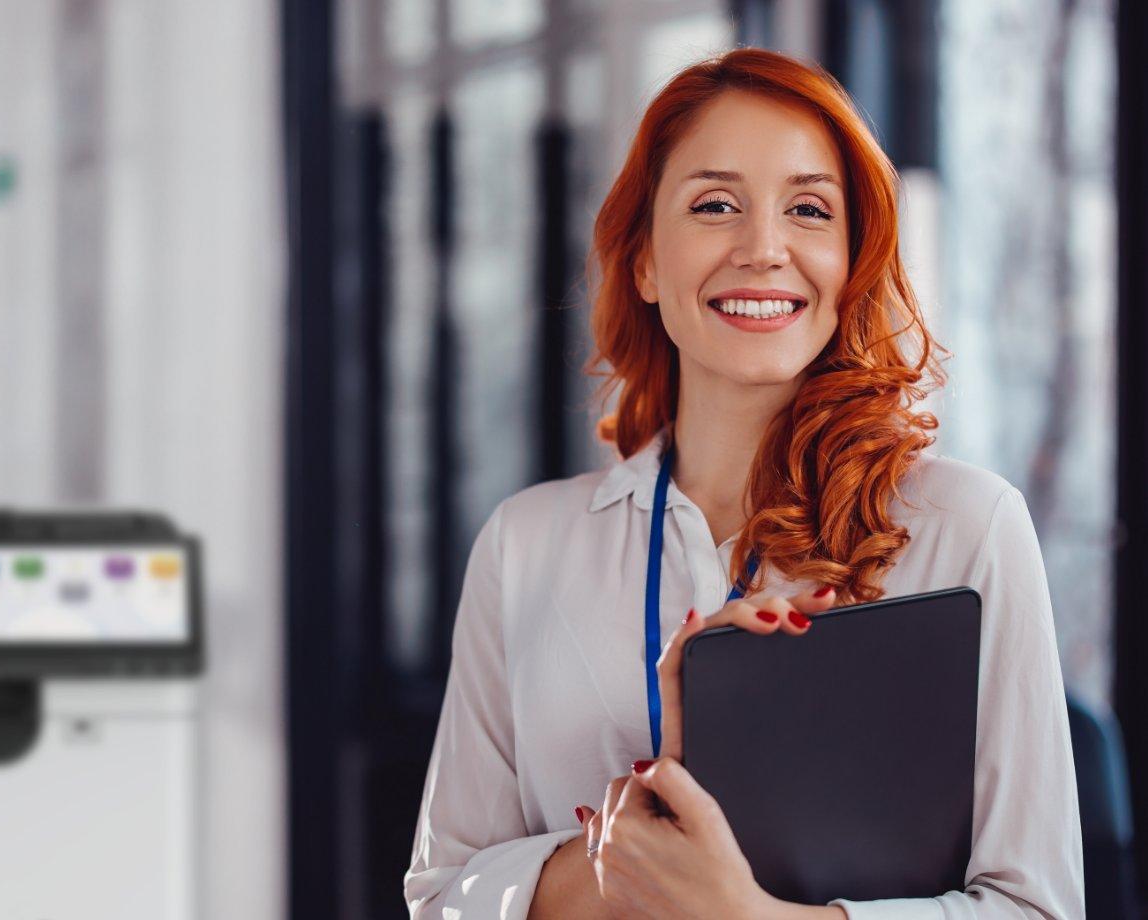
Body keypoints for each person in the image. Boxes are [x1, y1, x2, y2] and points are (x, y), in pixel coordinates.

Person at [403, 47, 1084, 919]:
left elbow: (1040, 907)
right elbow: (440, 897)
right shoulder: (526, 545)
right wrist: (622, 854)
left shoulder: (967, 529)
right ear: (645, 262)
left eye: (809, 209)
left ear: (852, 261)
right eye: (715, 205)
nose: (764, 249)